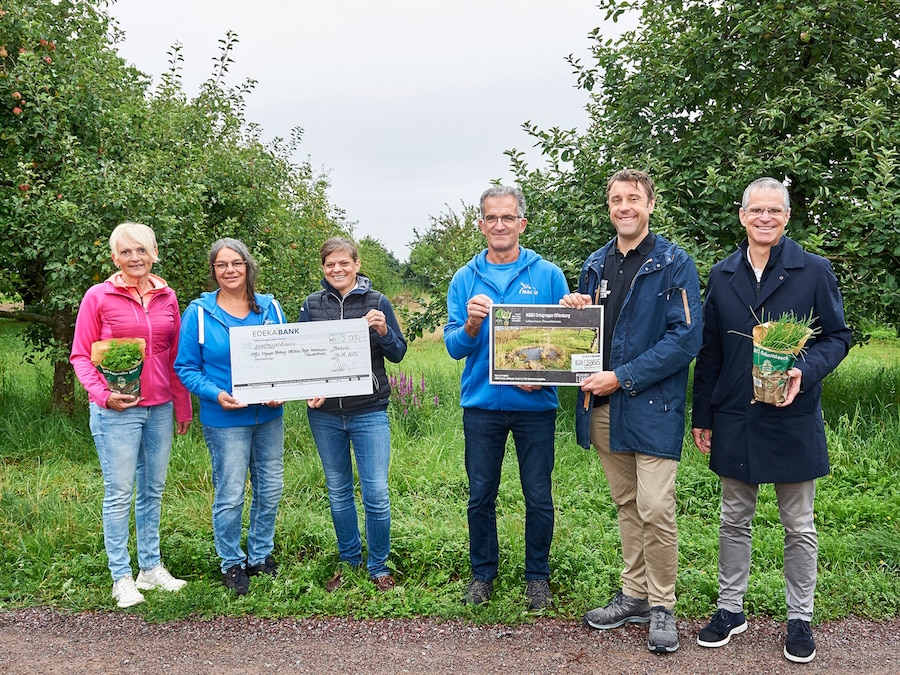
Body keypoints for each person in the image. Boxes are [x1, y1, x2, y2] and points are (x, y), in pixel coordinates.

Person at [691, 177, 851, 664]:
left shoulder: (813, 270)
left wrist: (805, 369)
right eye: (756, 210)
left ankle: (799, 618)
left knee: (798, 524)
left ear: (786, 217)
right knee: (733, 518)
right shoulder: (721, 275)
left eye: (774, 211)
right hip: (736, 415)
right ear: (741, 216)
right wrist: (704, 415)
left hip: (792, 415)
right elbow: (711, 350)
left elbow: (838, 337)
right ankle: (730, 609)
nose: (765, 218)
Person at [560, 169, 702, 653]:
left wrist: (622, 376)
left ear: (650, 205)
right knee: (626, 505)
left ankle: (662, 605)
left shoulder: (674, 263)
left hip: (652, 405)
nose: (625, 207)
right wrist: (575, 311)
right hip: (603, 407)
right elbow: (589, 336)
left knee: (656, 507)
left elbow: (685, 339)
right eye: (616, 199)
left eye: (633, 199)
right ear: (609, 206)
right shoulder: (594, 265)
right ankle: (634, 594)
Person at [444, 185, 569, 611]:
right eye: (491, 218)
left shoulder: (548, 275)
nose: (500, 225)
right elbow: (453, 347)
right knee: (481, 495)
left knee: (538, 496)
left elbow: (563, 345)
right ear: (480, 225)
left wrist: (546, 377)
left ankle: (537, 577)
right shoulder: (465, 278)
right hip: (481, 406)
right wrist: (472, 328)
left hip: (535, 408)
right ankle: (483, 575)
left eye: (508, 217)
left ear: (522, 223)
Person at [70, 222, 192, 608]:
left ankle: (151, 568)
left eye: (142, 251)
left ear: (154, 253)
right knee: (120, 492)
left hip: (159, 407)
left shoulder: (168, 296)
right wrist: (104, 395)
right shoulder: (98, 296)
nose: (134, 258)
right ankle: (121, 576)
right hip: (117, 411)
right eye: (126, 252)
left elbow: (175, 356)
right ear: (114, 258)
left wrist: (182, 403)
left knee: (153, 490)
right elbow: (80, 355)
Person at [174, 238, 287, 596]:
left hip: (268, 416)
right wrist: (215, 394)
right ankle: (232, 563)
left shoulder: (270, 308)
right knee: (231, 494)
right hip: (225, 420)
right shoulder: (199, 313)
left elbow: (287, 356)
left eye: (236, 263)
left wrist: (281, 388)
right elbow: (186, 367)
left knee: (270, 490)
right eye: (221, 265)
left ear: (247, 265)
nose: (230, 270)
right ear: (214, 271)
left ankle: (260, 555)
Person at [299, 236, 407, 592]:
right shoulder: (312, 305)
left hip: (368, 411)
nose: (337, 269)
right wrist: (306, 391)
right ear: (323, 268)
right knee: (338, 491)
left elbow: (398, 353)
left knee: (376, 492)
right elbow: (302, 357)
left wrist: (383, 330)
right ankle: (349, 562)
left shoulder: (377, 302)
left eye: (344, 263)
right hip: (325, 414)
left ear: (357, 265)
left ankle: (378, 566)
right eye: (330, 264)